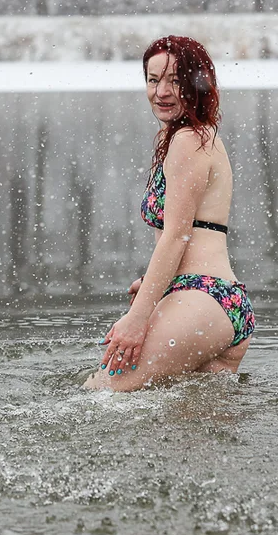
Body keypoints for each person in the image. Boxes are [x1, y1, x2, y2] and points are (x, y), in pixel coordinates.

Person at [84, 36, 255, 391]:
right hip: (219, 305)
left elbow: (178, 236)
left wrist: (137, 317)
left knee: (99, 394)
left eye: (176, 80)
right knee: (185, 429)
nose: (162, 91)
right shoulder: (198, 136)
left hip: (203, 297)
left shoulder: (188, 141)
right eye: (153, 79)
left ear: (197, 83)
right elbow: (191, 233)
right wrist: (152, 284)